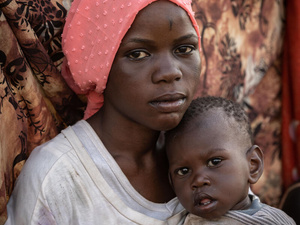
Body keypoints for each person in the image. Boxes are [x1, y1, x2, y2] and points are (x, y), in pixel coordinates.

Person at [4, 0, 201, 224]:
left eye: (184, 49)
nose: (170, 72)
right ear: (100, 66)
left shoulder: (210, 146)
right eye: (138, 54)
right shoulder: (58, 175)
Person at [165, 96, 296, 225]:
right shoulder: (175, 219)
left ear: (252, 165)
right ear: (172, 182)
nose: (198, 181)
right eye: (184, 171)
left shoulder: (272, 221)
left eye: (214, 162)